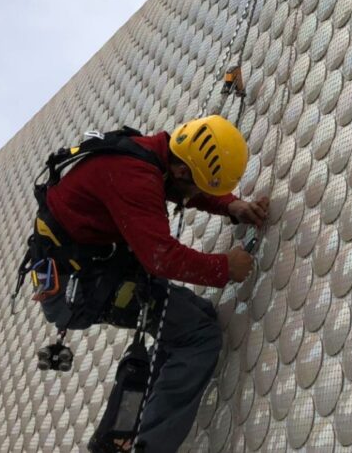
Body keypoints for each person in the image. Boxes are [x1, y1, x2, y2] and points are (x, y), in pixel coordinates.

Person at [35, 115, 267, 452]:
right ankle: (147, 446)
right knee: (198, 335)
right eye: (199, 186)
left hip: (89, 272)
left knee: (197, 315)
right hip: (81, 290)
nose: (197, 195)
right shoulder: (135, 176)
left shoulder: (150, 154)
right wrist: (224, 267)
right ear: (183, 170)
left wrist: (230, 205)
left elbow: (179, 189)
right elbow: (161, 258)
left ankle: (122, 435)